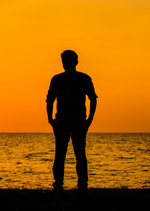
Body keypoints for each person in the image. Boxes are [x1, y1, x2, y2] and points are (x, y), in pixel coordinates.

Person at [46, 50, 97, 192]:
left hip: (65, 122)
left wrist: (51, 119)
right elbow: (93, 99)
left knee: (61, 154)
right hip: (76, 122)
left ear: (63, 63)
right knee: (79, 154)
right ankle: (81, 184)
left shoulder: (57, 79)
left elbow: (49, 100)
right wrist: (88, 121)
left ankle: (59, 184)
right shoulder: (84, 78)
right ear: (76, 62)